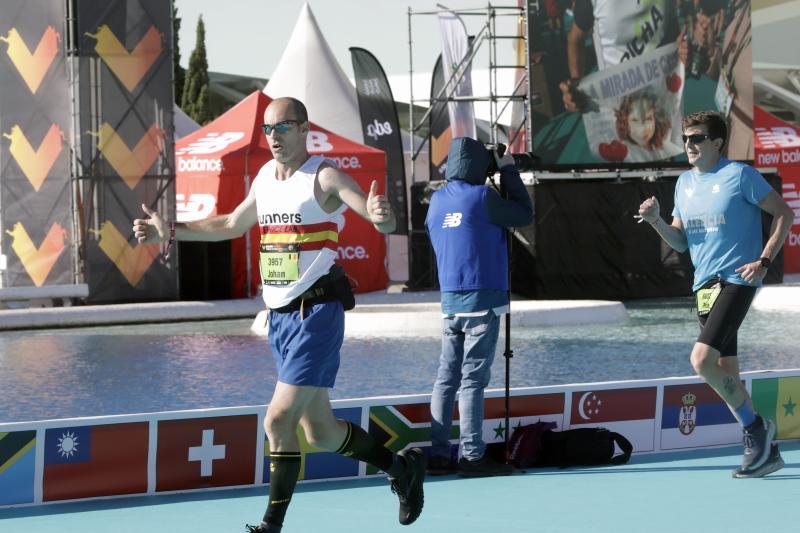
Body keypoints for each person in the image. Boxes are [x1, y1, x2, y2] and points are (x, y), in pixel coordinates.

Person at [133, 97, 426, 532]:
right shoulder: (266, 177)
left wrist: (382, 218)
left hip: (318, 313)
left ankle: (272, 524)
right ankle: (402, 469)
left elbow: (369, 211)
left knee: (277, 420)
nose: (274, 137)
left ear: (305, 128)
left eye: (283, 127)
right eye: (269, 130)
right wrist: (170, 231)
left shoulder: (324, 175)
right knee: (321, 433)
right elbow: (232, 223)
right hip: (282, 320)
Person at [637, 111, 794, 478]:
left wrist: (764, 260)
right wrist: (656, 220)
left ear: (717, 142)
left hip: (737, 279)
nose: (689, 144)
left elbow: (783, 213)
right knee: (726, 371)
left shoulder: (740, 176)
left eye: (697, 138)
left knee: (701, 360)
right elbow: (680, 241)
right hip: (703, 286)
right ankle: (765, 452)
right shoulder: (683, 184)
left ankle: (756, 429)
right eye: (686, 138)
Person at [425, 137, 533, 477]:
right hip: (482, 300)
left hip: (450, 301)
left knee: (446, 378)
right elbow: (524, 213)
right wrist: (509, 171)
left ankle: (440, 454)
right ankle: (472, 456)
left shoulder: (436, 201)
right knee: (472, 380)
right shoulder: (483, 196)